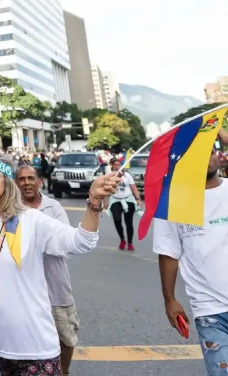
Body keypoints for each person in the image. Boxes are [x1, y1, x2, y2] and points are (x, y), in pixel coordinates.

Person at [0, 152, 119, 375]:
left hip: (33, 347)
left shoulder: (30, 220)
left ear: (6, 181)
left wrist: (94, 201)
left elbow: (81, 242)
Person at [153, 146, 228, 376]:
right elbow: (168, 254)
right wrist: (170, 300)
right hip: (210, 310)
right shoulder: (173, 201)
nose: (207, 157)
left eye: (210, 150)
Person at [16, 165, 79, 376]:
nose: (26, 183)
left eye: (30, 178)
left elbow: (66, 242)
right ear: (16, 184)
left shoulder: (53, 207)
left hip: (56, 286)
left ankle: (64, 371)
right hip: (24, 290)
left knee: (66, 336)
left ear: (39, 181)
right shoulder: (12, 209)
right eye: (22, 179)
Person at [106, 157, 143, 251]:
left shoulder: (127, 175)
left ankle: (130, 243)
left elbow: (134, 188)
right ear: (112, 166)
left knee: (128, 222)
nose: (117, 166)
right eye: (115, 165)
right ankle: (122, 239)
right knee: (117, 220)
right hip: (115, 200)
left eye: (119, 165)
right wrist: (105, 200)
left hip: (128, 200)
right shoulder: (109, 176)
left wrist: (138, 199)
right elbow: (106, 189)